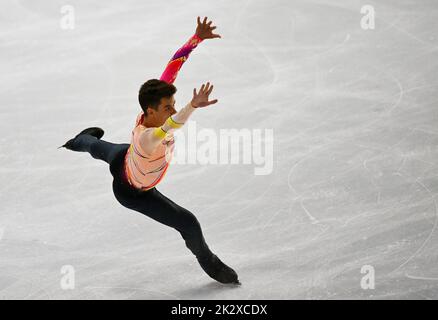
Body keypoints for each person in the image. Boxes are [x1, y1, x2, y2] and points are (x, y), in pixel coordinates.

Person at [59, 17, 240, 285]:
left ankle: (80, 140)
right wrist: (192, 105)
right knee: (188, 223)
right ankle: (213, 266)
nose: (173, 108)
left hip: (127, 157)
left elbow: (173, 65)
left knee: (98, 147)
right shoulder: (149, 137)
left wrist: (196, 38)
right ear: (151, 111)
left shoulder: (151, 112)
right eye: (169, 106)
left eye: (174, 104)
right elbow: (170, 126)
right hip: (133, 191)